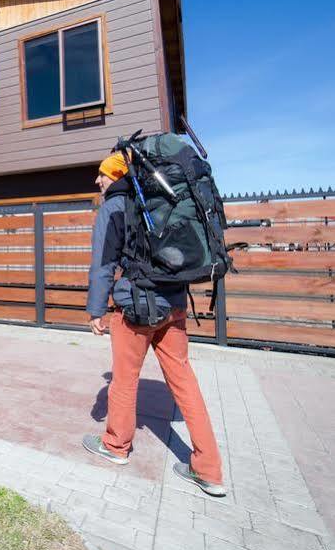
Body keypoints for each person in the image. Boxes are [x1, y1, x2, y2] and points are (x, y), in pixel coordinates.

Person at [81, 152, 226, 497]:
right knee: (185, 382)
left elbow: (102, 263)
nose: (97, 181)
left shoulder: (115, 207)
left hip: (135, 310)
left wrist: (95, 311)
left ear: (115, 175)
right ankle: (209, 470)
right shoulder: (166, 201)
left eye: (101, 175)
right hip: (174, 307)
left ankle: (116, 446)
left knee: (124, 379)